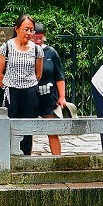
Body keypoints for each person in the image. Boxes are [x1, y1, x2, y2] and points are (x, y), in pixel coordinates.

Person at [0, 14, 45, 156]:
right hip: (12, 92)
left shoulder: (37, 50)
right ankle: (9, 155)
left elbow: (38, 74)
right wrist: (7, 87)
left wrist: (29, 85)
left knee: (28, 126)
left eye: (31, 30)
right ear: (16, 29)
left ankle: (26, 156)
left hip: (30, 92)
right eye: (26, 29)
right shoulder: (6, 47)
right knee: (10, 125)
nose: (29, 33)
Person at [31, 22, 67, 155]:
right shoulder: (25, 52)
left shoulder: (51, 52)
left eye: (41, 38)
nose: (39, 41)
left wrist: (62, 96)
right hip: (31, 97)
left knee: (52, 131)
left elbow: (59, 75)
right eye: (36, 38)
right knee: (27, 132)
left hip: (48, 97)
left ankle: (57, 160)